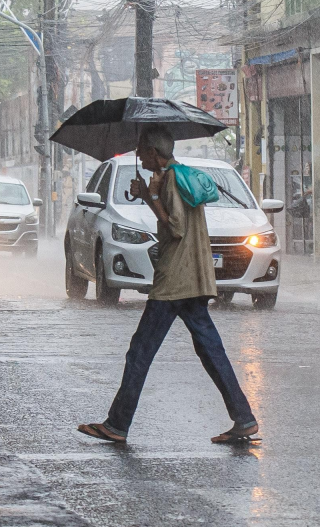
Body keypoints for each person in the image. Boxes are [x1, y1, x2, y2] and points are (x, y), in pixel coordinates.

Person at [78, 126, 259, 445]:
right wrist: (151, 194)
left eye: (141, 149)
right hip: (195, 277)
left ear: (153, 152)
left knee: (140, 351)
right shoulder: (180, 175)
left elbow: (174, 228)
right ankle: (243, 418)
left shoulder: (172, 180)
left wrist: (150, 196)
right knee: (209, 349)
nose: (138, 155)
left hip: (175, 280)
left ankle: (117, 424)